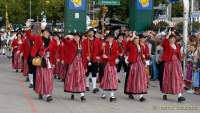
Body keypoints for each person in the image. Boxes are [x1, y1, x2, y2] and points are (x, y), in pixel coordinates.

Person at [26, 28, 56, 102]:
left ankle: (48, 94)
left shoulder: (52, 42)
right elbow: (30, 37)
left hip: (48, 62)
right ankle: (40, 92)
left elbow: (54, 53)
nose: (46, 33)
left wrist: (54, 62)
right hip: (40, 61)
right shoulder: (38, 38)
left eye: (47, 32)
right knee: (41, 77)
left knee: (48, 78)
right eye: (45, 32)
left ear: (49, 34)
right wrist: (27, 30)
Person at [161, 33, 185, 103]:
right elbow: (163, 43)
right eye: (171, 38)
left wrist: (181, 59)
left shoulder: (177, 45)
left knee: (178, 78)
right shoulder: (167, 45)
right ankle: (165, 93)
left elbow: (179, 54)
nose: (173, 40)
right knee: (168, 78)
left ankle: (179, 96)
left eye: (174, 38)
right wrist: (168, 35)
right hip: (169, 64)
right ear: (169, 39)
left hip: (176, 64)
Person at [124, 35, 148, 102]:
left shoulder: (141, 46)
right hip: (133, 63)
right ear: (133, 40)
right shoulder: (131, 45)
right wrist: (131, 38)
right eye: (135, 39)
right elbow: (127, 46)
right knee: (132, 78)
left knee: (141, 79)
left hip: (140, 63)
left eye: (137, 39)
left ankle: (141, 95)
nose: (136, 41)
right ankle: (131, 92)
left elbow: (142, 54)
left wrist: (144, 60)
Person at [64, 34, 86, 102]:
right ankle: (72, 92)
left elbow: (84, 54)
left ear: (80, 38)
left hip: (80, 63)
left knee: (81, 78)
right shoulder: (71, 43)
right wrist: (66, 37)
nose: (76, 38)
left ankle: (82, 95)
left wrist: (85, 64)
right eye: (75, 37)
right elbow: (65, 42)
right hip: (73, 62)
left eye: (78, 37)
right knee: (72, 77)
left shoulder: (82, 44)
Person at [100, 33, 119, 102]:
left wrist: (108, 57)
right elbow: (101, 53)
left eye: (112, 38)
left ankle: (112, 95)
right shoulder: (104, 44)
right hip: (105, 64)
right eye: (109, 37)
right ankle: (103, 93)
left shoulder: (116, 44)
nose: (110, 39)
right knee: (105, 78)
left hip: (112, 64)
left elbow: (116, 55)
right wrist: (102, 47)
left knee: (112, 79)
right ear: (107, 38)